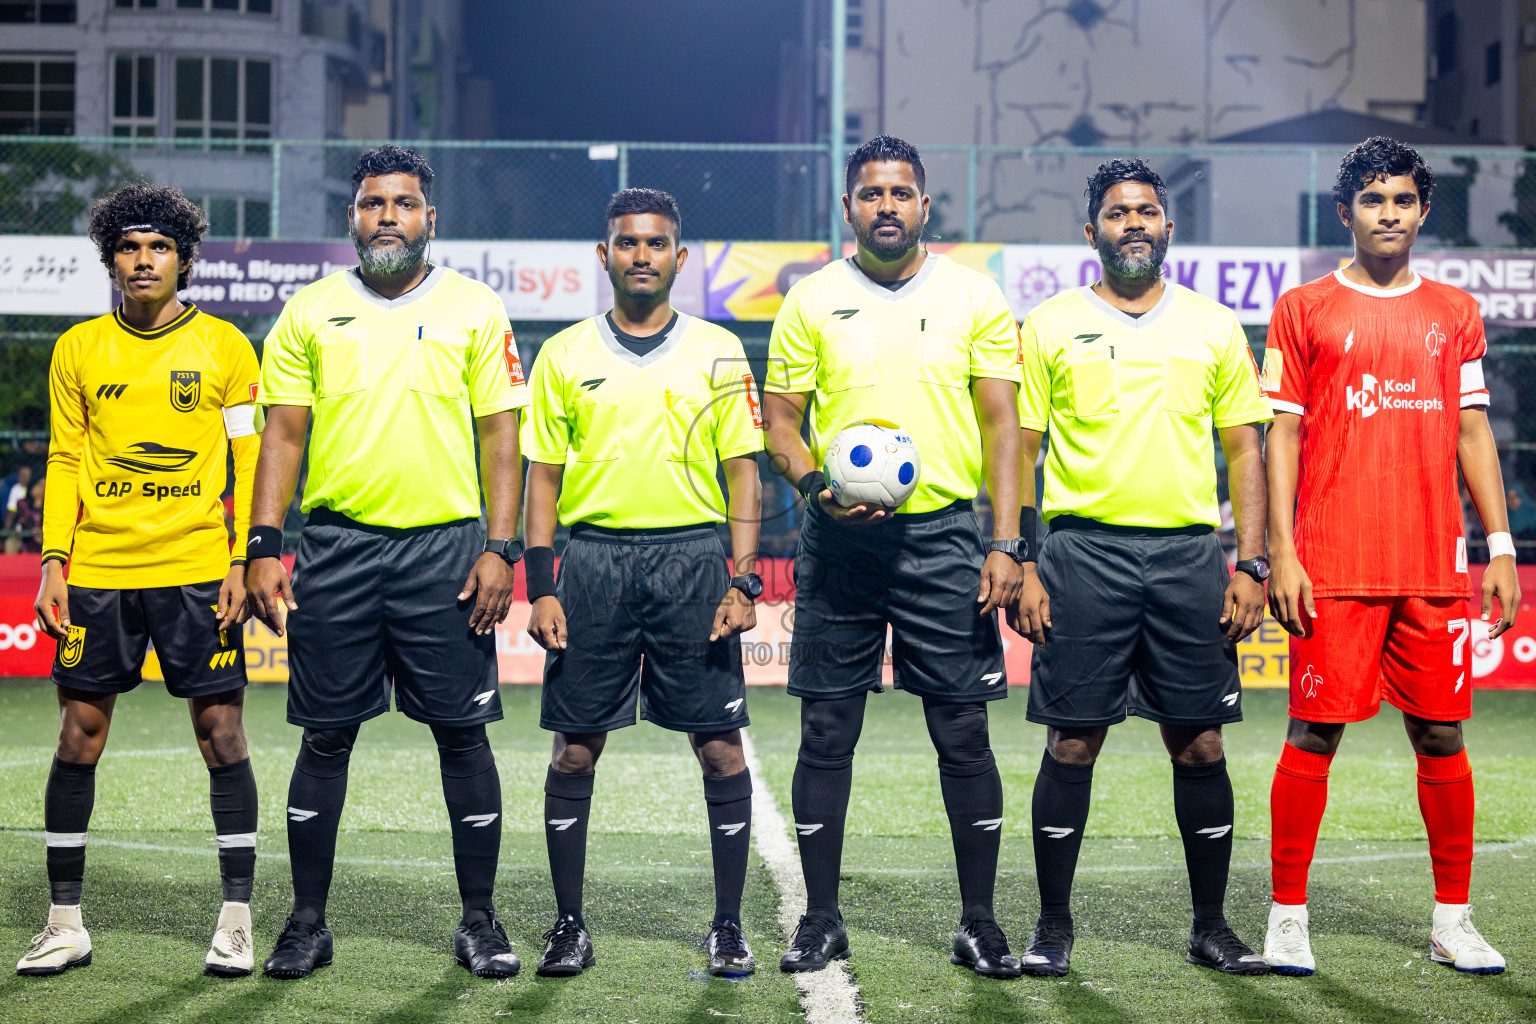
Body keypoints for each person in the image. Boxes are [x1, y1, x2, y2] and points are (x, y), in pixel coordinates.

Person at [246, 145, 530, 980]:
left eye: (403, 204)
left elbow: (502, 435)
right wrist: (263, 544)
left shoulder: (475, 307)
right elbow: (282, 437)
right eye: (374, 204)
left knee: (462, 736)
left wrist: (500, 547)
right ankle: (306, 923)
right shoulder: (310, 310)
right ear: (353, 216)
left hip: (446, 551)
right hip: (337, 549)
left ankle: (479, 920)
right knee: (325, 736)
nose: (388, 218)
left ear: (429, 218)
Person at [762, 135, 1026, 977]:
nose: (886, 206)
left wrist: (1007, 540)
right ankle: (821, 920)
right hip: (838, 539)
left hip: (943, 538)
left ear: (924, 205)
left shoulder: (973, 295)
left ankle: (979, 921)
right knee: (825, 727)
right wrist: (815, 487)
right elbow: (779, 421)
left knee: (963, 727)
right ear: (849, 208)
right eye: (871, 193)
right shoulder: (810, 299)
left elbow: (1004, 427)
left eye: (900, 193)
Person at [1260, 136, 1518, 976]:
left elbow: (1473, 430)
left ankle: (1453, 920)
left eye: (1403, 200)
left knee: (1441, 735)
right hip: (1333, 562)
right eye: (1373, 200)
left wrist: (1499, 546)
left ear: (1423, 210)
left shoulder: (1455, 312)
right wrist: (1282, 551)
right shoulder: (1303, 309)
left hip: (1432, 563)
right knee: (1313, 733)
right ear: (1346, 212)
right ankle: (1287, 916)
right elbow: (1281, 435)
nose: (1389, 214)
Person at [1014, 159, 1273, 977]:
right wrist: (1023, 559)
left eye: (1148, 211)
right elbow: (1020, 451)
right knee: (1072, 744)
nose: (1134, 223)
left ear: (1168, 227)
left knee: (1199, 743)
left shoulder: (1213, 326)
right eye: (1118, 212)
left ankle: (1212, 927)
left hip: (1189, 557)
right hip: (1082, 555)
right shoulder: (1049, 324)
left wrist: (1253, 562)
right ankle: (1052, 927)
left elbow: (1245, 449)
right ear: (1090, 230)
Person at [19, 185, 262, 977]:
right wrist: (53, 561)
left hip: (197, 572)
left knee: (222, 735)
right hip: (98, 573)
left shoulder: (225, 346)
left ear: (184, 261)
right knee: (77, 736)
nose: (144, 260)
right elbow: (63, 459)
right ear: (111, 260)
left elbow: (251, 458)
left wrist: (241, 558)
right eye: (129, 246)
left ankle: (235, 921)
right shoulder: (78, 348)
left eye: (160, 247)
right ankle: (64, 923)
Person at [523, 188, 763, 979]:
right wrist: (542, 584)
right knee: (574, 752)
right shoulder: (564, 354)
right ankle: (568, 924)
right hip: (593, 563)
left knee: (720, 749)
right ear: (605, 255)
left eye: (656, 244)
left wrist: (744, 580)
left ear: (678, 257)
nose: (641, 256)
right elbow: (542, 476)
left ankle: (728, 925)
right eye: (627, 243)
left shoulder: (720, 351)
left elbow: (743, 470)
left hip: (692, 561)